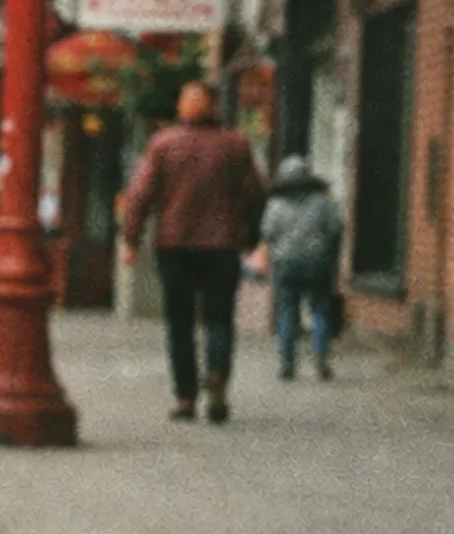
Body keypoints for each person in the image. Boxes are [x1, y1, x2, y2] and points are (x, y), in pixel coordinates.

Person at [120, 82, 267, 423]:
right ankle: (216, 375)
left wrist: (130, 240)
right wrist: (250, 238)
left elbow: (139, 195)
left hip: (175, 246)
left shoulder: (163, 144)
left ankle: (185, 397)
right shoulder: (235, 145)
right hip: (222, 247)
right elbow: (255, 195)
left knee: (179, 322)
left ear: (183, 108)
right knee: (218, 319)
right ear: (215, 107)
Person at [260, 154, 344, 381]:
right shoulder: (323, 201)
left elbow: (267, 233)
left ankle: (287, 362)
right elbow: (335, 227)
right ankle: (320, 356)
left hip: (285, 262)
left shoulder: (275, 204)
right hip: (317, 261)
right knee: (319, 309)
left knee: (287, 311)